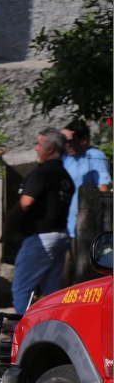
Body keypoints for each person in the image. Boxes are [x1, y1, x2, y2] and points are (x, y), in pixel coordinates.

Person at [3, 128, 74, 315]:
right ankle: (51, 334)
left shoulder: (42, 173)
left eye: (39, 145)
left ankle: (24, 337)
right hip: (60, 236)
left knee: (22, 289)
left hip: (40, 239)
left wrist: (8, 219)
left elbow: (25, 203)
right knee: (52, 292)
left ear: (49, 149)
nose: (36, 148)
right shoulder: (65, 177)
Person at [60, 120, 112, 286]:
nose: (68, 144)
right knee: (63, 279)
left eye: (71, 140)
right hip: (66, 227)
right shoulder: (68, 158)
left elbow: (103, 189)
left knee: (80, 279)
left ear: (84, 139)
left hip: (84, 229)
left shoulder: (95, 156)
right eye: (65, 141)